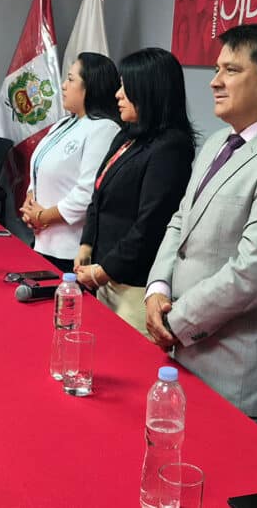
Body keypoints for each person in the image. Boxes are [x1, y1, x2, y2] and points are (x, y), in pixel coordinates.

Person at [144, 23, 257, 444]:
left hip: (238, 375)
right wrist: (157, 287)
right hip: (183, 352)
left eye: (230, 70)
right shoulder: (216, 144)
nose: (214, 81)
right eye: (216, 69)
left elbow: (253, 274)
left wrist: (175, 321)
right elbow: (180, 220)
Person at [75, 48, 196, 334]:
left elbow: (150, 225)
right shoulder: (127, 133)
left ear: (149, 91)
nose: (117, 94)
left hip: (133, 287)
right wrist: (86, 244)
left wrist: (103, 271)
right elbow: (98, 193)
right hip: (104, 275)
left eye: (125, 87)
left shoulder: (170, 148)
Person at [19, 53, 121, 273]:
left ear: (90, 87)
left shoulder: (104, 129)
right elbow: (39, 166)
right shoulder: (66, 122)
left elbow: (87, 194)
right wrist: (30, 200)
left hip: (69, 251)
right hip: (42, 241)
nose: (63, 86)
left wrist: (41, 216)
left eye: (71, 79)